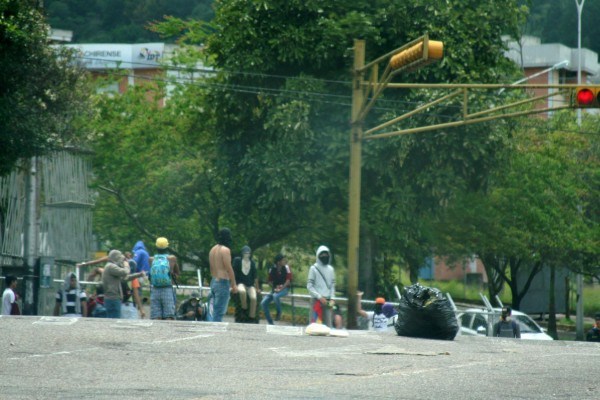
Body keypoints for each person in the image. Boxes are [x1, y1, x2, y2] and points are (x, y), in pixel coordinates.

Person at [102, 249, 145, 319]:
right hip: (113, 299)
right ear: (116, 258)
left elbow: (125, 278)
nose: (121, 261)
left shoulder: (110, 267)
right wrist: (126, 265)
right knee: (114, 321)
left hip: (112, 298)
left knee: (112, 320)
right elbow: (125, 272)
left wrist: (138, 275)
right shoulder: (111, 267)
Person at [207, 228, 237, 322]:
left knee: (213, 310)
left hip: (214, 280)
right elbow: (229, 268)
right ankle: (215, 333)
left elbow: (211, 267)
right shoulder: (225, 250)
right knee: (219, 312)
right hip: (223, 282)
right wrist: (234, 284)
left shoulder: (212, 249)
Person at [149, 237, 178, 320]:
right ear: (167, 247)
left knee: (156, 316)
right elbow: (177, 272)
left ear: (156, 247)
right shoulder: (172, 259)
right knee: (169, 316)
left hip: (155, 289)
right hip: (167, 289)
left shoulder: (151, 259)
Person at [307, 246, 335, 327]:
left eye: (326, 255)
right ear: (318, 255)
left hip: (327, 300)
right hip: (316, 300)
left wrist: (333, 298)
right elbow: (309, 286)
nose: (324, 257)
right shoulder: (313, 268)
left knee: (328, 325)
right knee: (314, 325)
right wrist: (319, 296)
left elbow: (332, 286)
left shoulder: (331, 269)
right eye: (322, 255)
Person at [261, 253, 292, 325]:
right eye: (283, 260)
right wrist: (275, 288)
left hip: (285, 288)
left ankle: (279, 312)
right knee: (263, 303)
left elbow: (288, 281)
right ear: (278, 262)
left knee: (275, 296)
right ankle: (271, 323)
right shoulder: (272, 269)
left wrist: (281, 289)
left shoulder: (287, 268)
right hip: (275, 289)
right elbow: (269, 281)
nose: (285, 261)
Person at [233, 246, 259, 322]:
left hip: (250, 285)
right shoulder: (238, 261)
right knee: (242, 291)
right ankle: (244, 308)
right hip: (241, 284)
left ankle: (252, 316)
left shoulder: (252, 263)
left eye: (248, 253)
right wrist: (233, 285)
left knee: (253, 298)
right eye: (245, 253)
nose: (246, 255)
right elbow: (234, 273)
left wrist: (257, 288)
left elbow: (255, 277)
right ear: (242, 253)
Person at [121, 251, 145, 319]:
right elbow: (136, 294)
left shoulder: (118, 275)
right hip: (129, 305)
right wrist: (141, 309)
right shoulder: (133, 278)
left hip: (118, 304)